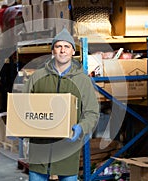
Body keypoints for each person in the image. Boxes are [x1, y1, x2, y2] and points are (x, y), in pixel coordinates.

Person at [23, 28, 100, 181]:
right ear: (53, 51)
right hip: (40, 151)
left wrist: (81, 128)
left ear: (73, 51)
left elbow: (92, 112)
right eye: (58, 46)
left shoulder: (82, 80)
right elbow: (23, 106)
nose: (62, 50)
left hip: (68, 150)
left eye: (67, 46)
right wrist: (19, 127)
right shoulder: (37, 77)